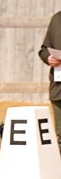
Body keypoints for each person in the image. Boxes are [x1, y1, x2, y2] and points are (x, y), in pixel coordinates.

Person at [39, 10, 61, 153]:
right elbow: (44, 49)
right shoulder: (57, 19)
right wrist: (48, 58)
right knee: (60, 135)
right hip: (59, 89)